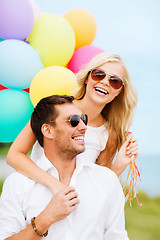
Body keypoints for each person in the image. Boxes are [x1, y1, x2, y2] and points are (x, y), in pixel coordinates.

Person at [7, 52, 138, 195]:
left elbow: (100, 187)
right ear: (87, 77)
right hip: (34, 199)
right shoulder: (53, 107)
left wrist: (119, 166)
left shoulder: (109, 133)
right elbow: (14, 155)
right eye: (99, 74)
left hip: (74, 210)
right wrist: (53, 184)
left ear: (119, 91)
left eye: (115, 81)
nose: (105, 82)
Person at [0, 95, 129, 239]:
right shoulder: (17, 184)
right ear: (48, 131)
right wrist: (45, 219)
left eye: (83, 119)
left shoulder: (107, 180)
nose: (84, 127)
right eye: (73, 121)